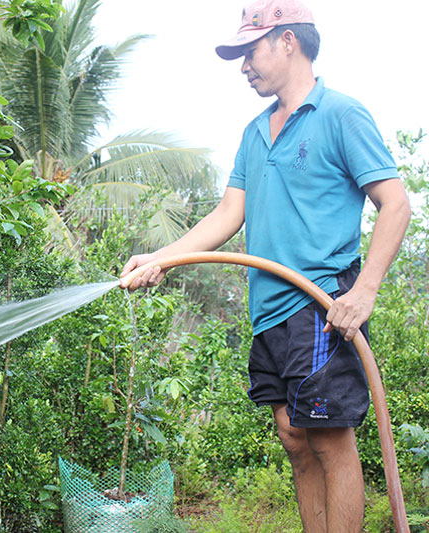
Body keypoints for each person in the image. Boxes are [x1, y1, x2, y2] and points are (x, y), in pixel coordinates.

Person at [119, 1, 411, 531]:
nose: (244, 65)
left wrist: (364, 291)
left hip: (320, 301)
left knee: (328, 437)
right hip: (269, 311)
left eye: (249, 51)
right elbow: (230, 212)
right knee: (295, 440)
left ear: (287, 41)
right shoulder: (255, 131)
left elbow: (396, 203)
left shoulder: (340, 114)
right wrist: (161, 259)